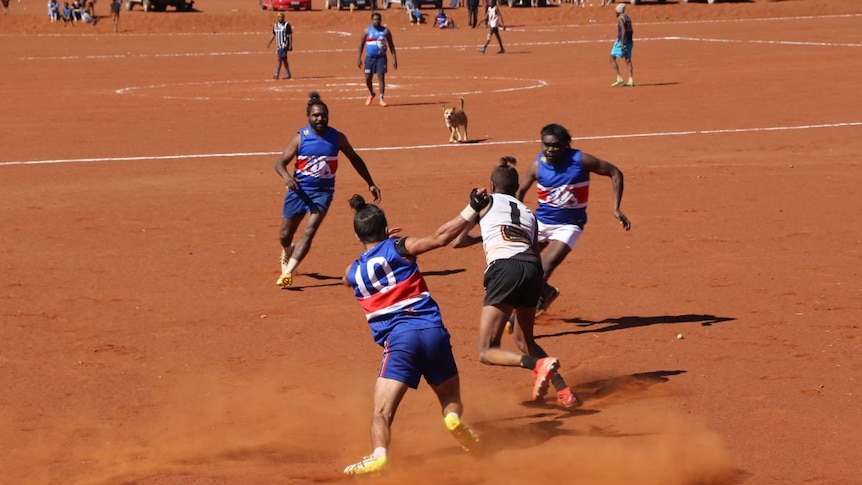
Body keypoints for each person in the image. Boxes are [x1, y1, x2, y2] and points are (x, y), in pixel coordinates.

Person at [341, 192, 483, 475]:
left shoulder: (352, 272)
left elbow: (349, 276)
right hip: (432, 332)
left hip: (400, 342)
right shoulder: (400, 247)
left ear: (358, 238)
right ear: (386, 229)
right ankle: (453, 418)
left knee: (382, 412)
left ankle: (379, 454)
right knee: (450, 395)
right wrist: (472, 208)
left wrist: (377, 244)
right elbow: (441, 238)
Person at [452, 157, 582, 409]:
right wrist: (493, 232)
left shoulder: (485, 202)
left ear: (492, 185)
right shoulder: (528, 213)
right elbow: (533, 250)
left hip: (505, 269)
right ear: (516, 188)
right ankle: (564, 391)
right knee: (525, 340)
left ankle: (538, 365)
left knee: (487, 350)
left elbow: (457, 241)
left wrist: (484, 232)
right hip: (533, 270)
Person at [515, 123, 631, 318]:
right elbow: (519, 192)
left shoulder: (580, 160)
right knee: (522, 267)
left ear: (566, 145)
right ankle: (546, 292)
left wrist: (616, 208)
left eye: (556, 145)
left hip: (569, 226)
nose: (550, 150)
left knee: (544, 267)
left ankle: (519, 316)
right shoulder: (537, 165)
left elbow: (614, 172)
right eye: (546, 145)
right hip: (541, 223)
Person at [274, 92, 381, 289]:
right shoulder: (301, 137)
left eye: (323, 115)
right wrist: (288, 178)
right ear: (309, 117)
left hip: (323, 193)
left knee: (309, 231)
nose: (320, 118)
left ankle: (288, 272)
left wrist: (370, 182)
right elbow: (280, 163)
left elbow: (354, 158)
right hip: (299, 191)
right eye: (316, 115)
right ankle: (286, 251)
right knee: (284, 235)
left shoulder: (337, 137)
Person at [358, 11, 398, 107]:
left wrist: (394, 59)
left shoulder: (385, 31)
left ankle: (381, 98)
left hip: (381, 57)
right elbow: (361, 45)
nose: (377, 21)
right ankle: (372, 93)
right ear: (372, 20)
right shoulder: (367, 31)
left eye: (378, 19)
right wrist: (358, 58)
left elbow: (392, 46)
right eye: (375, 19)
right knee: (368, 77)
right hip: (369, 58)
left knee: (381, 77)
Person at [610, 3, 634, 87]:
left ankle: (618, 77)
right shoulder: (628, 18)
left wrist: (622, 44)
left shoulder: (620, 18)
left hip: (622, 41)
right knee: (628, 60)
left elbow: (623, 31)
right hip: (629, 41)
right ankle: (630, 79)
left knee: (612, 57)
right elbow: (631, 31)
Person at [266, 12, 293, 80]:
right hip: (278, 45)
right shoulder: (275, 26)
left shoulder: (286, 25)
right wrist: (269, 42)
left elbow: (289, 35)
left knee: (279, 59)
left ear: (283, 18)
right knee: (284, 60)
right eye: (279, 17)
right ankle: (288, 73)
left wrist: (290, 45)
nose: (280, 18)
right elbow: (273, 34)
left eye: (281, 17)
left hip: (284, 45)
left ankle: (276, 74)